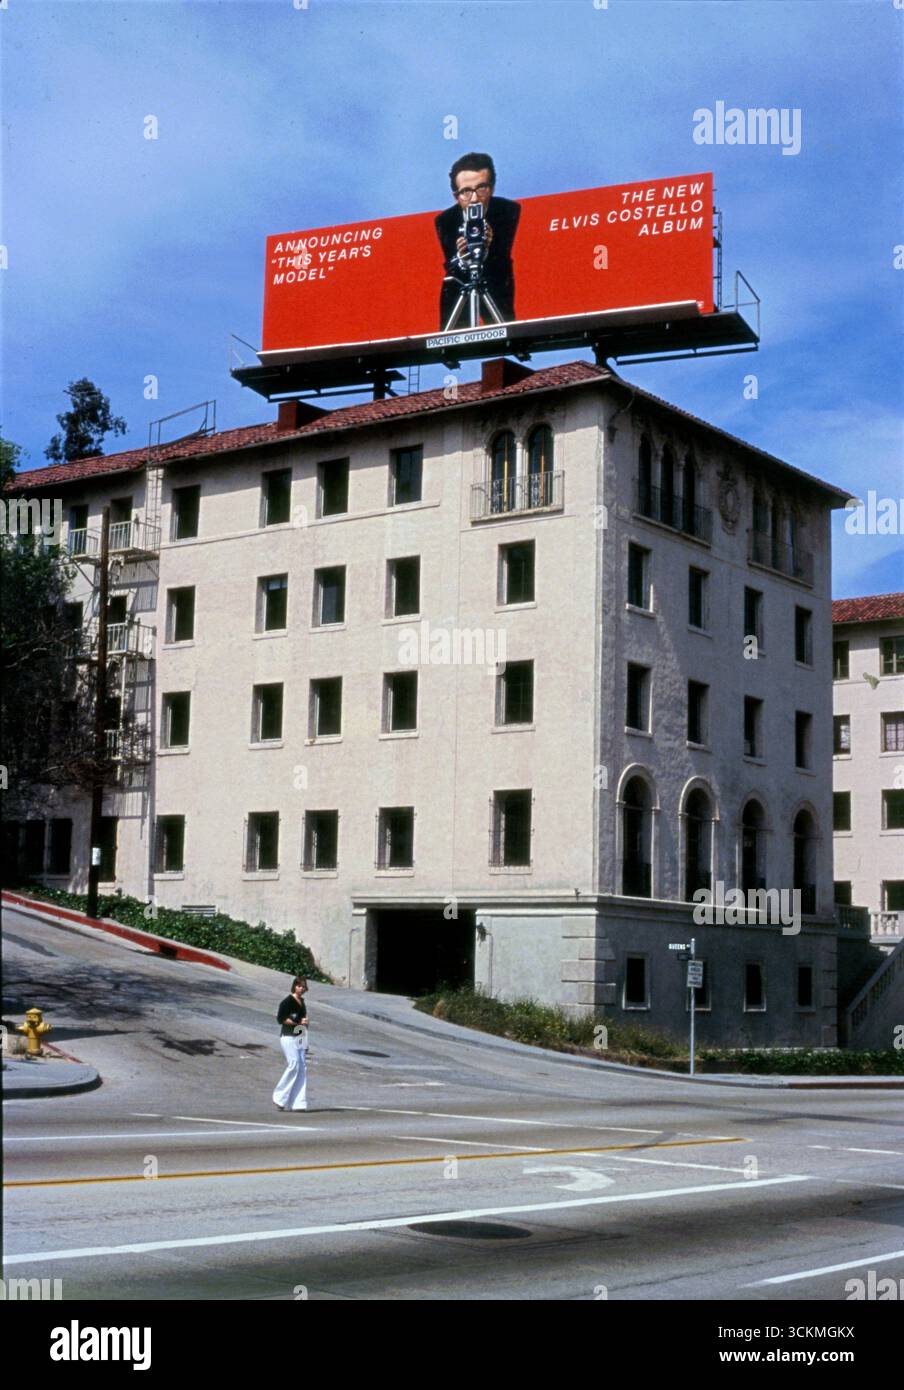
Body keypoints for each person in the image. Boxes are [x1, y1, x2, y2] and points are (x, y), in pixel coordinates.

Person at [434, 152, 521, 329]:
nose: (474, 198)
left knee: (506, 331)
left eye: (481, 188)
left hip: (497, 286)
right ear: (456, 195)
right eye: (466, 191)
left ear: (492, 188)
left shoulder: (509, 211)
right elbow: (446, 268)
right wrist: (461, 257)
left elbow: (509, 259)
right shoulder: (445, 221)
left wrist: (490, 247)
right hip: (460, 287)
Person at [273, 975, 308, 1112]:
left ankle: (298, 1103)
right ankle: (279, 1098)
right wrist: (298, 1023)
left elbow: (303, 1022)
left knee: (302, 1067)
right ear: (294, 986)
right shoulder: (287, 1002)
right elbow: (281, 1019)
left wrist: (304, 1043)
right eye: (299, 986)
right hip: (287, 1036)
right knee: (293, 1064)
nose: (301, 988)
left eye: (304, 986)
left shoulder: (302, 1002)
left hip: (299, 1035)